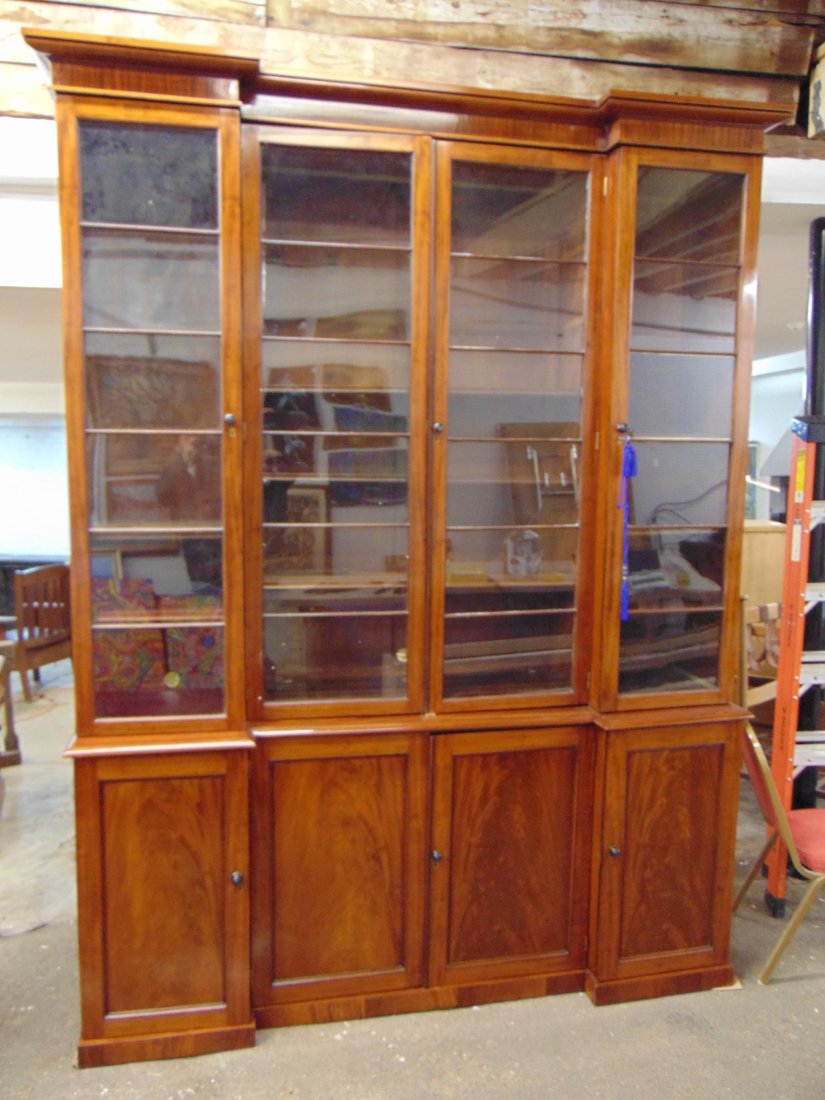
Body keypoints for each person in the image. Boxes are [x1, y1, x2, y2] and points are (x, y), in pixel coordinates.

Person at [156, 434, 222, 592]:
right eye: (188, 439)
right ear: (179, 442)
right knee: (197, 580)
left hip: (213, 530)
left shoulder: (210, 464)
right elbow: (163, 496)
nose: (193, 446)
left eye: (196, 442)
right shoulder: (172, 467)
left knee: (217, 578)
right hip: (189, 533)